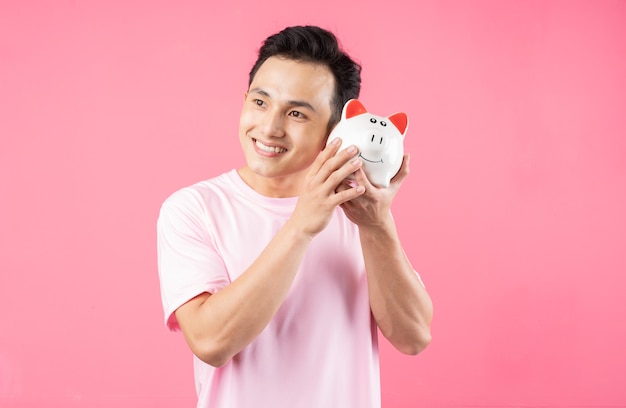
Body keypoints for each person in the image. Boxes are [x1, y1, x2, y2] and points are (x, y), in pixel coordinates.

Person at [157, 25, 433, 408]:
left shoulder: (361, 212)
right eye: (260, 102)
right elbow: (210, 341)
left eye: (297, 113)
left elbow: (414, 336)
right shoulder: (193, 208)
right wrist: (302, 225)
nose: (269, 127)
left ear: (336, 130)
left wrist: (377, 223)